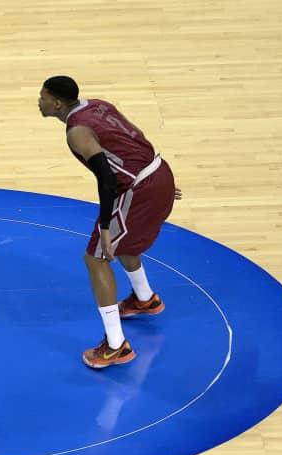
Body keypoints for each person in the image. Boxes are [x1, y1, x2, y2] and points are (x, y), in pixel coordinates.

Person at [38, 75, 182, 368]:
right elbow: (136, 136)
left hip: (138, 189)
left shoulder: (77, 132)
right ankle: (144, 299)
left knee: (97, 258)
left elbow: (106, 178)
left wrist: (105, 227)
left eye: (42, 97)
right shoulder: (98, 106)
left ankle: (116, 346)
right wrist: (157, 179)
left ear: (56, 102)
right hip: (156, 171)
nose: (38, 102)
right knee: (126, 241)